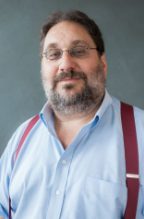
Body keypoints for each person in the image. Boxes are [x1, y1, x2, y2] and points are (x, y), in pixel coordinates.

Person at [0, 10, 144, 219]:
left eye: (78, 51)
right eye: (54, 54)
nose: (65, 64)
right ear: (43, 67)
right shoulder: (21, 139)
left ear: (103, 64)